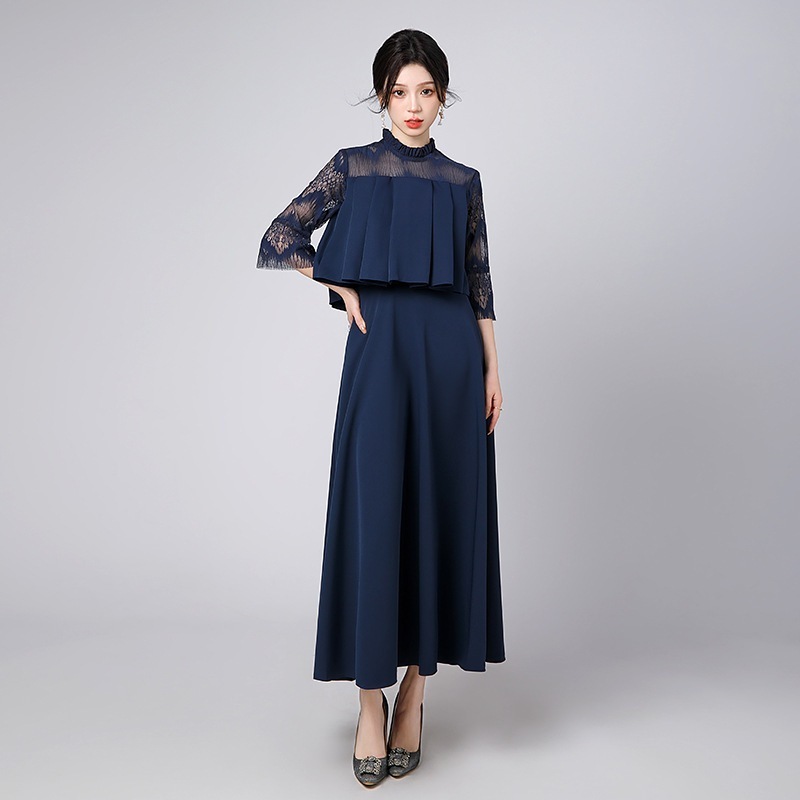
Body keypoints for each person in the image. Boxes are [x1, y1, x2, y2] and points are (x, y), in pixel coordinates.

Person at [256, 28, 506, 786]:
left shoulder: (463, 181)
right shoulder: (353, 167)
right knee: (374, 514)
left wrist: (493, 367)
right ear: (381, 97)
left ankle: (415, 695)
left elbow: (480, 280)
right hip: (380, 358)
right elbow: (280, 235)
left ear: (443, 98)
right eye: (400, 92)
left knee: (439, 514)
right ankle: (370, 699)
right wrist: (336, 281)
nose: (413, 106)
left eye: (426, 91)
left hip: (452, 362)